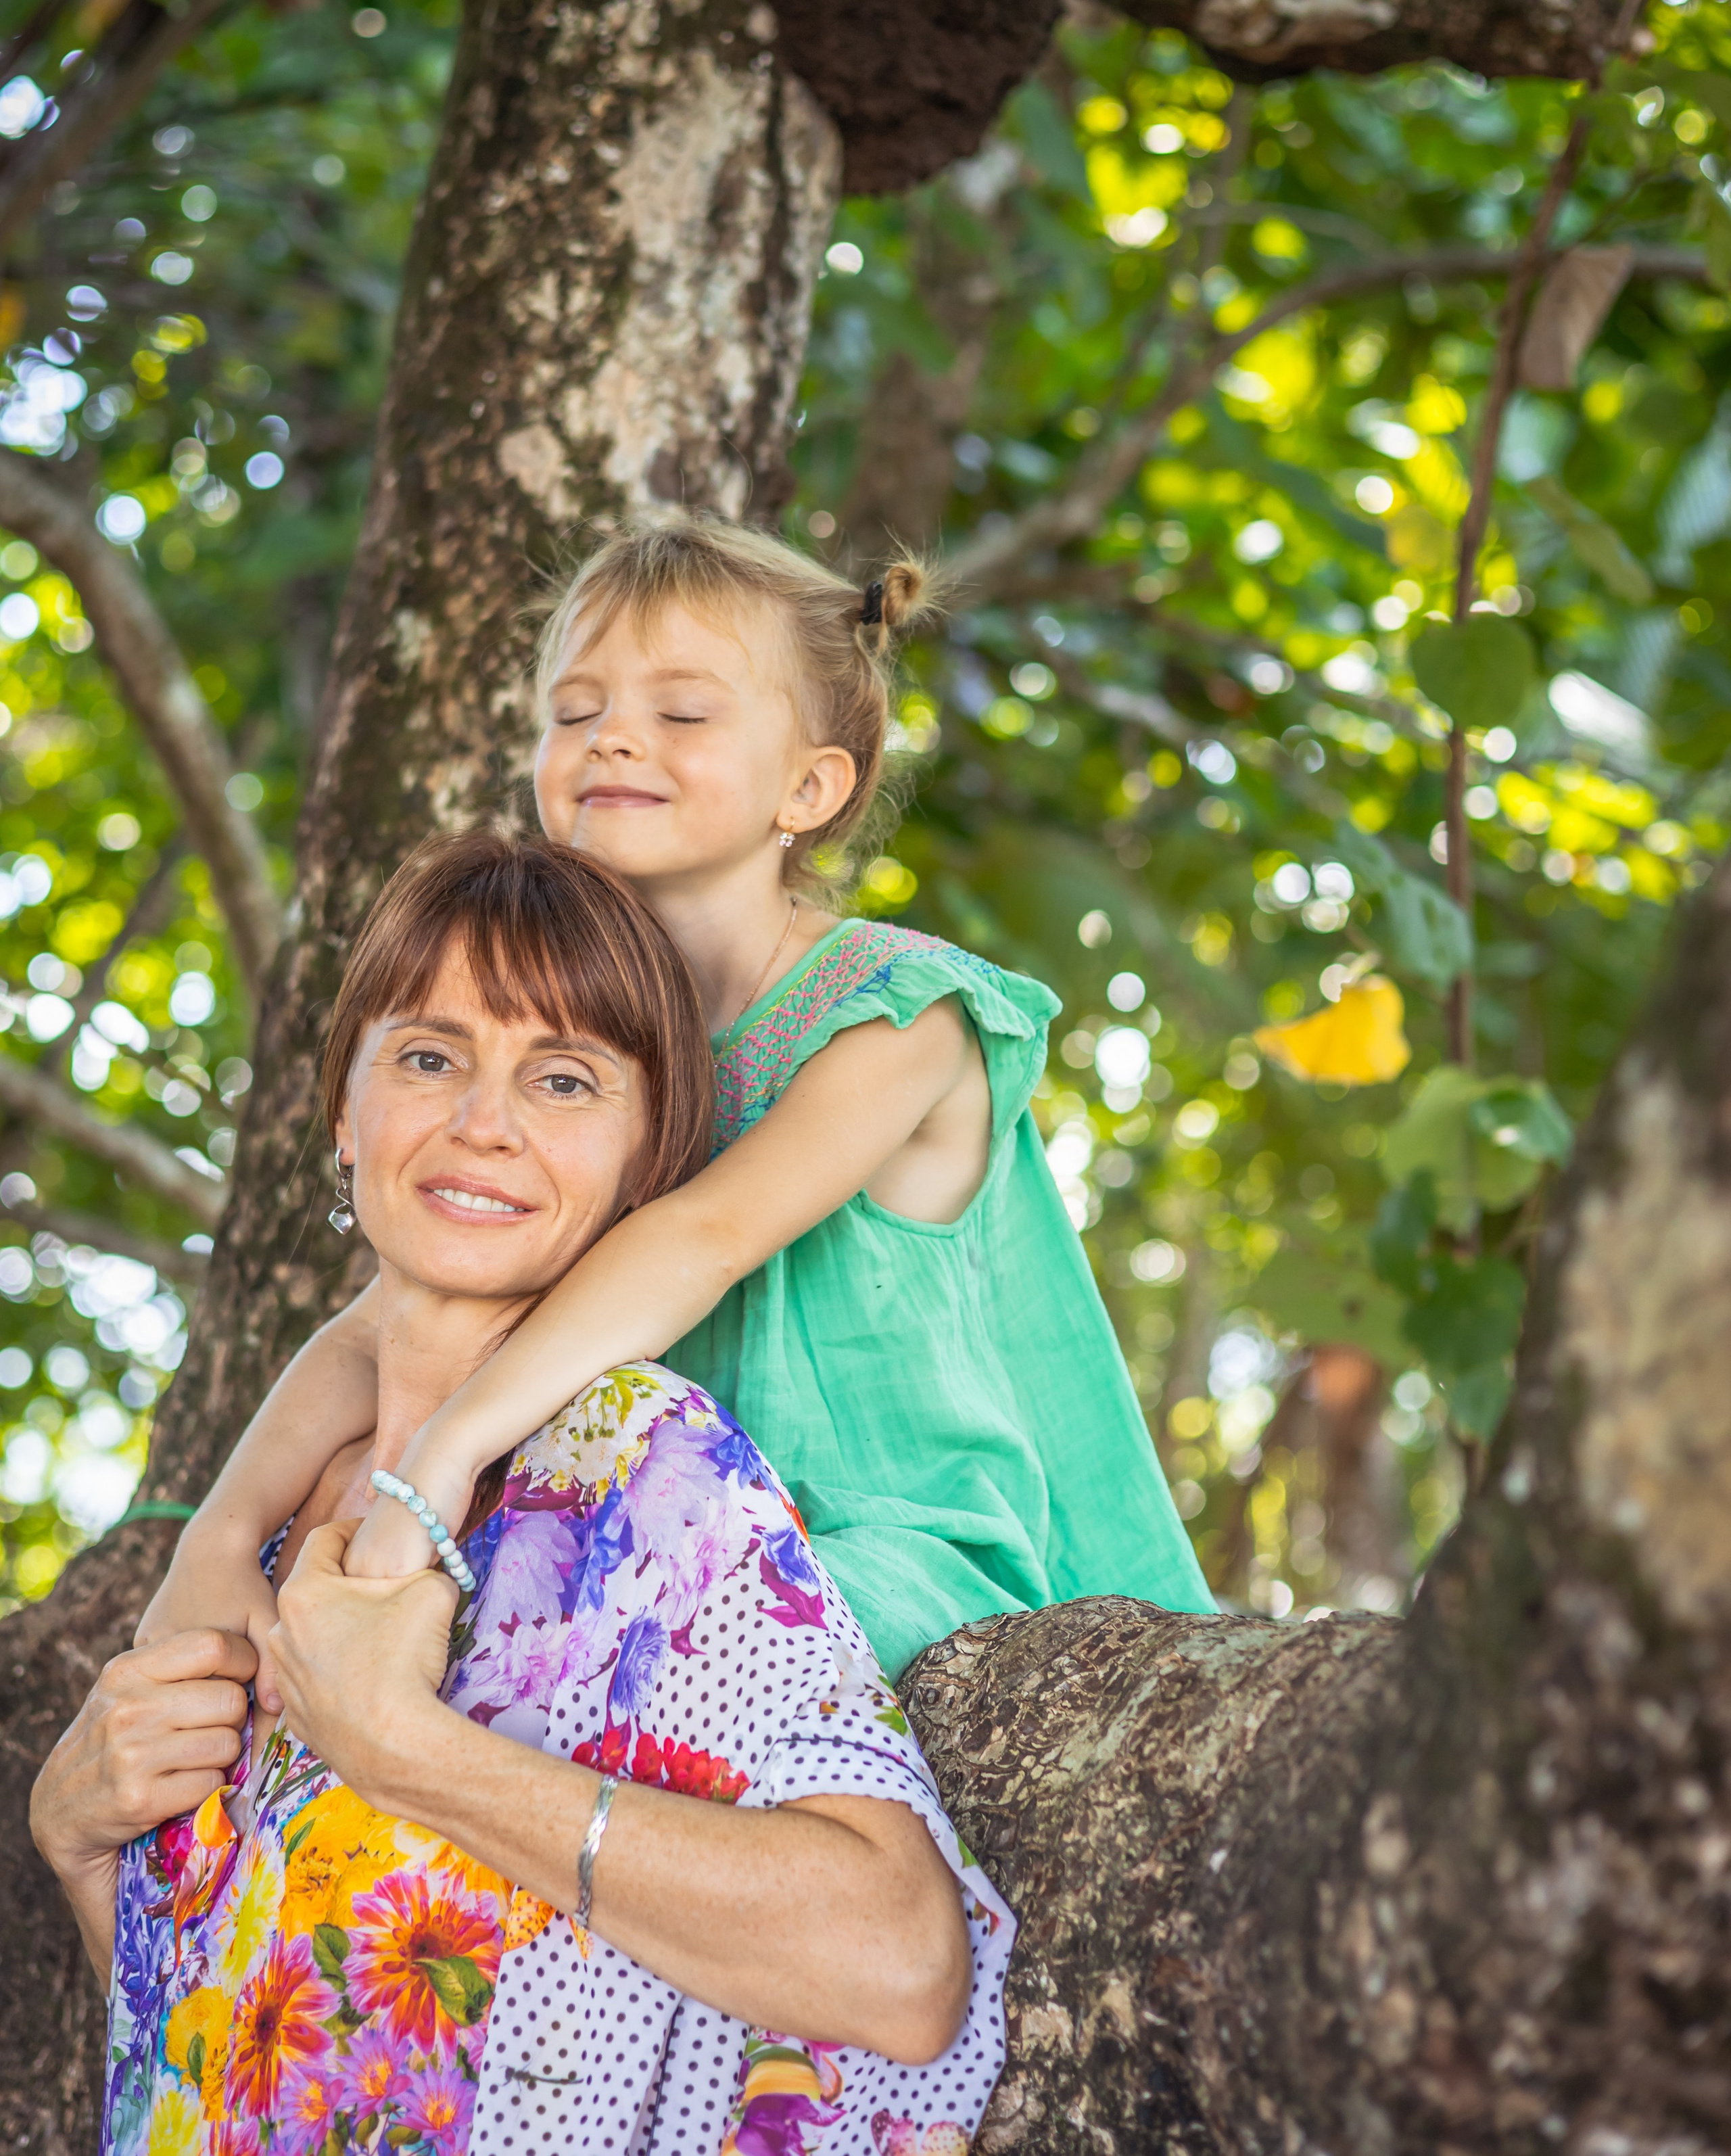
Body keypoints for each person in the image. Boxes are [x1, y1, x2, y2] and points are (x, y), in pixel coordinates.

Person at [32, 830, 1012, 2156]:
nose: (480, 1121)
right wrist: (84, 1849)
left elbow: (896, 1967)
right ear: (343, 1112)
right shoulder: (266, 1544)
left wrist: (408, 1750)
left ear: (645, 1156)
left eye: (561, 1079)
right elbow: (226, 2064)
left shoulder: (631, 1476)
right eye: (429, 1057)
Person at [141, 511, 1213, 1695]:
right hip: (658, 1522)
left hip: (896, 1548)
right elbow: (375, 1322)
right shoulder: (591, 1051)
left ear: (810, 786)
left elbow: (703, 1237)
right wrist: (218, 1538)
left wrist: (439, 1463)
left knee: (551, 1668)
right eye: (574, 712)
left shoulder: (900, 1015)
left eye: (682, 715)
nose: (613, 742)